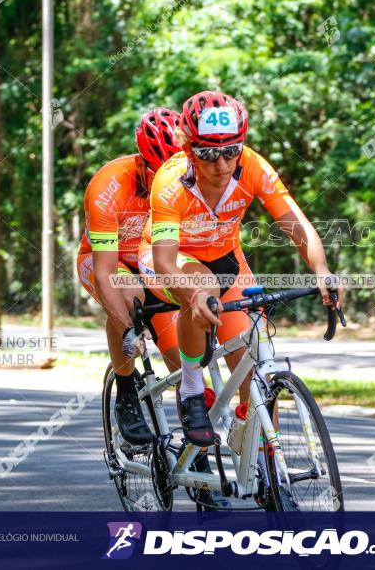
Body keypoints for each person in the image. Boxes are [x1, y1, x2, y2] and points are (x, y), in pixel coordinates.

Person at [139, 90, 344, 449]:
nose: (221, 165)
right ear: (189, 150)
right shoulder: (171, 182)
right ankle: (190, 388)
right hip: (169, 260)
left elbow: (295, 224)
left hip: (227, 261)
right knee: (201, 285)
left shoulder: (252, 166)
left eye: (231, 151)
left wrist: (322, 270)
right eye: (208, 154)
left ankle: (269, 473)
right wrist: (192, 296)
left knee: (257, 371)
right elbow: (165, 262)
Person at [77, 107, 182, 445]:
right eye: (158, 171)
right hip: (106, 262)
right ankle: (125, 389)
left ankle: (197, 459)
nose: (169, 180)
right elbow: (106, 272)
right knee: (128, 292)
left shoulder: (188, 184)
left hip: (153, 263)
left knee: (183, 366)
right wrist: (127, 332)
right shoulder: (109, 184)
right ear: (142, 161)